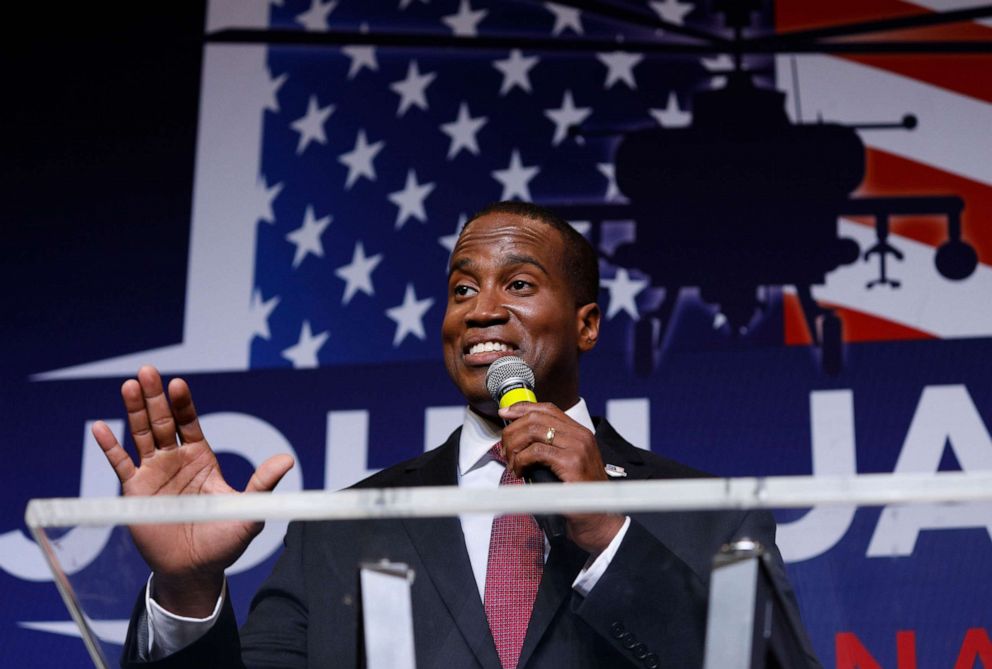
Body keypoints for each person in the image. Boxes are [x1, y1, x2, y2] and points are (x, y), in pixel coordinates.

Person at [94, 201, 819, 668]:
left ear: (587, 324)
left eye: (521, 285)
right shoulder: (339, 530)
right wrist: (187, 590)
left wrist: (608, 535)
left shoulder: (711, 512)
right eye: (463, 289)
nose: (481, 310)